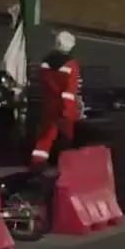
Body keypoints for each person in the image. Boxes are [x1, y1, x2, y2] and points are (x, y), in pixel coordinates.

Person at [30, 30, 81, 170]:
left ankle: (37, 164)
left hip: (50, 106)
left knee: (45, 138)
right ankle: (66, 167)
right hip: (67, 108)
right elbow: (72, 89)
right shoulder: (72, 65)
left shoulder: (45, 64)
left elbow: (44, 83)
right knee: (68, 138)